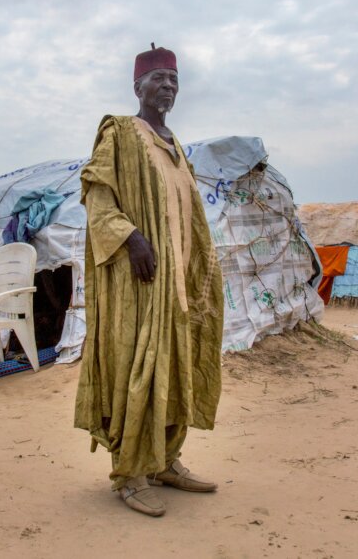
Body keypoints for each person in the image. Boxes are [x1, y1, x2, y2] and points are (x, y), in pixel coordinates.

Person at [73, 45, 224, 517]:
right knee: (137, 369)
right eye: (159, 79)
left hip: (177, 282)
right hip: (140, 282)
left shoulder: (175, 144)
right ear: (137, 87)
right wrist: (131, 237)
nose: (168, 87)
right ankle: (131, 474)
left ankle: (164, 460)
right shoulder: (119, 133)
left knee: (175, 367)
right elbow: (98, 196)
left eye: (174, 81)